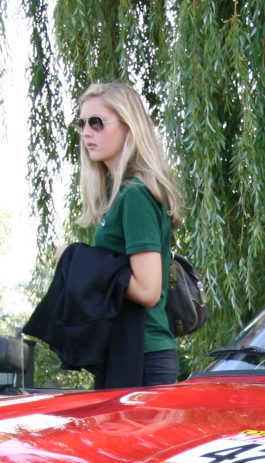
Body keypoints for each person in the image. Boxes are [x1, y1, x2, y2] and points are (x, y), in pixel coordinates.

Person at [76, 81, 184, 387]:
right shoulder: (119, 193)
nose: (86, 133)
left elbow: (148, 290)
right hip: (126, 351)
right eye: (81, 123)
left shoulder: (136, 194)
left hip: (142, 357)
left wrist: (79, 262)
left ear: (128, 127)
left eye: (97, 123)